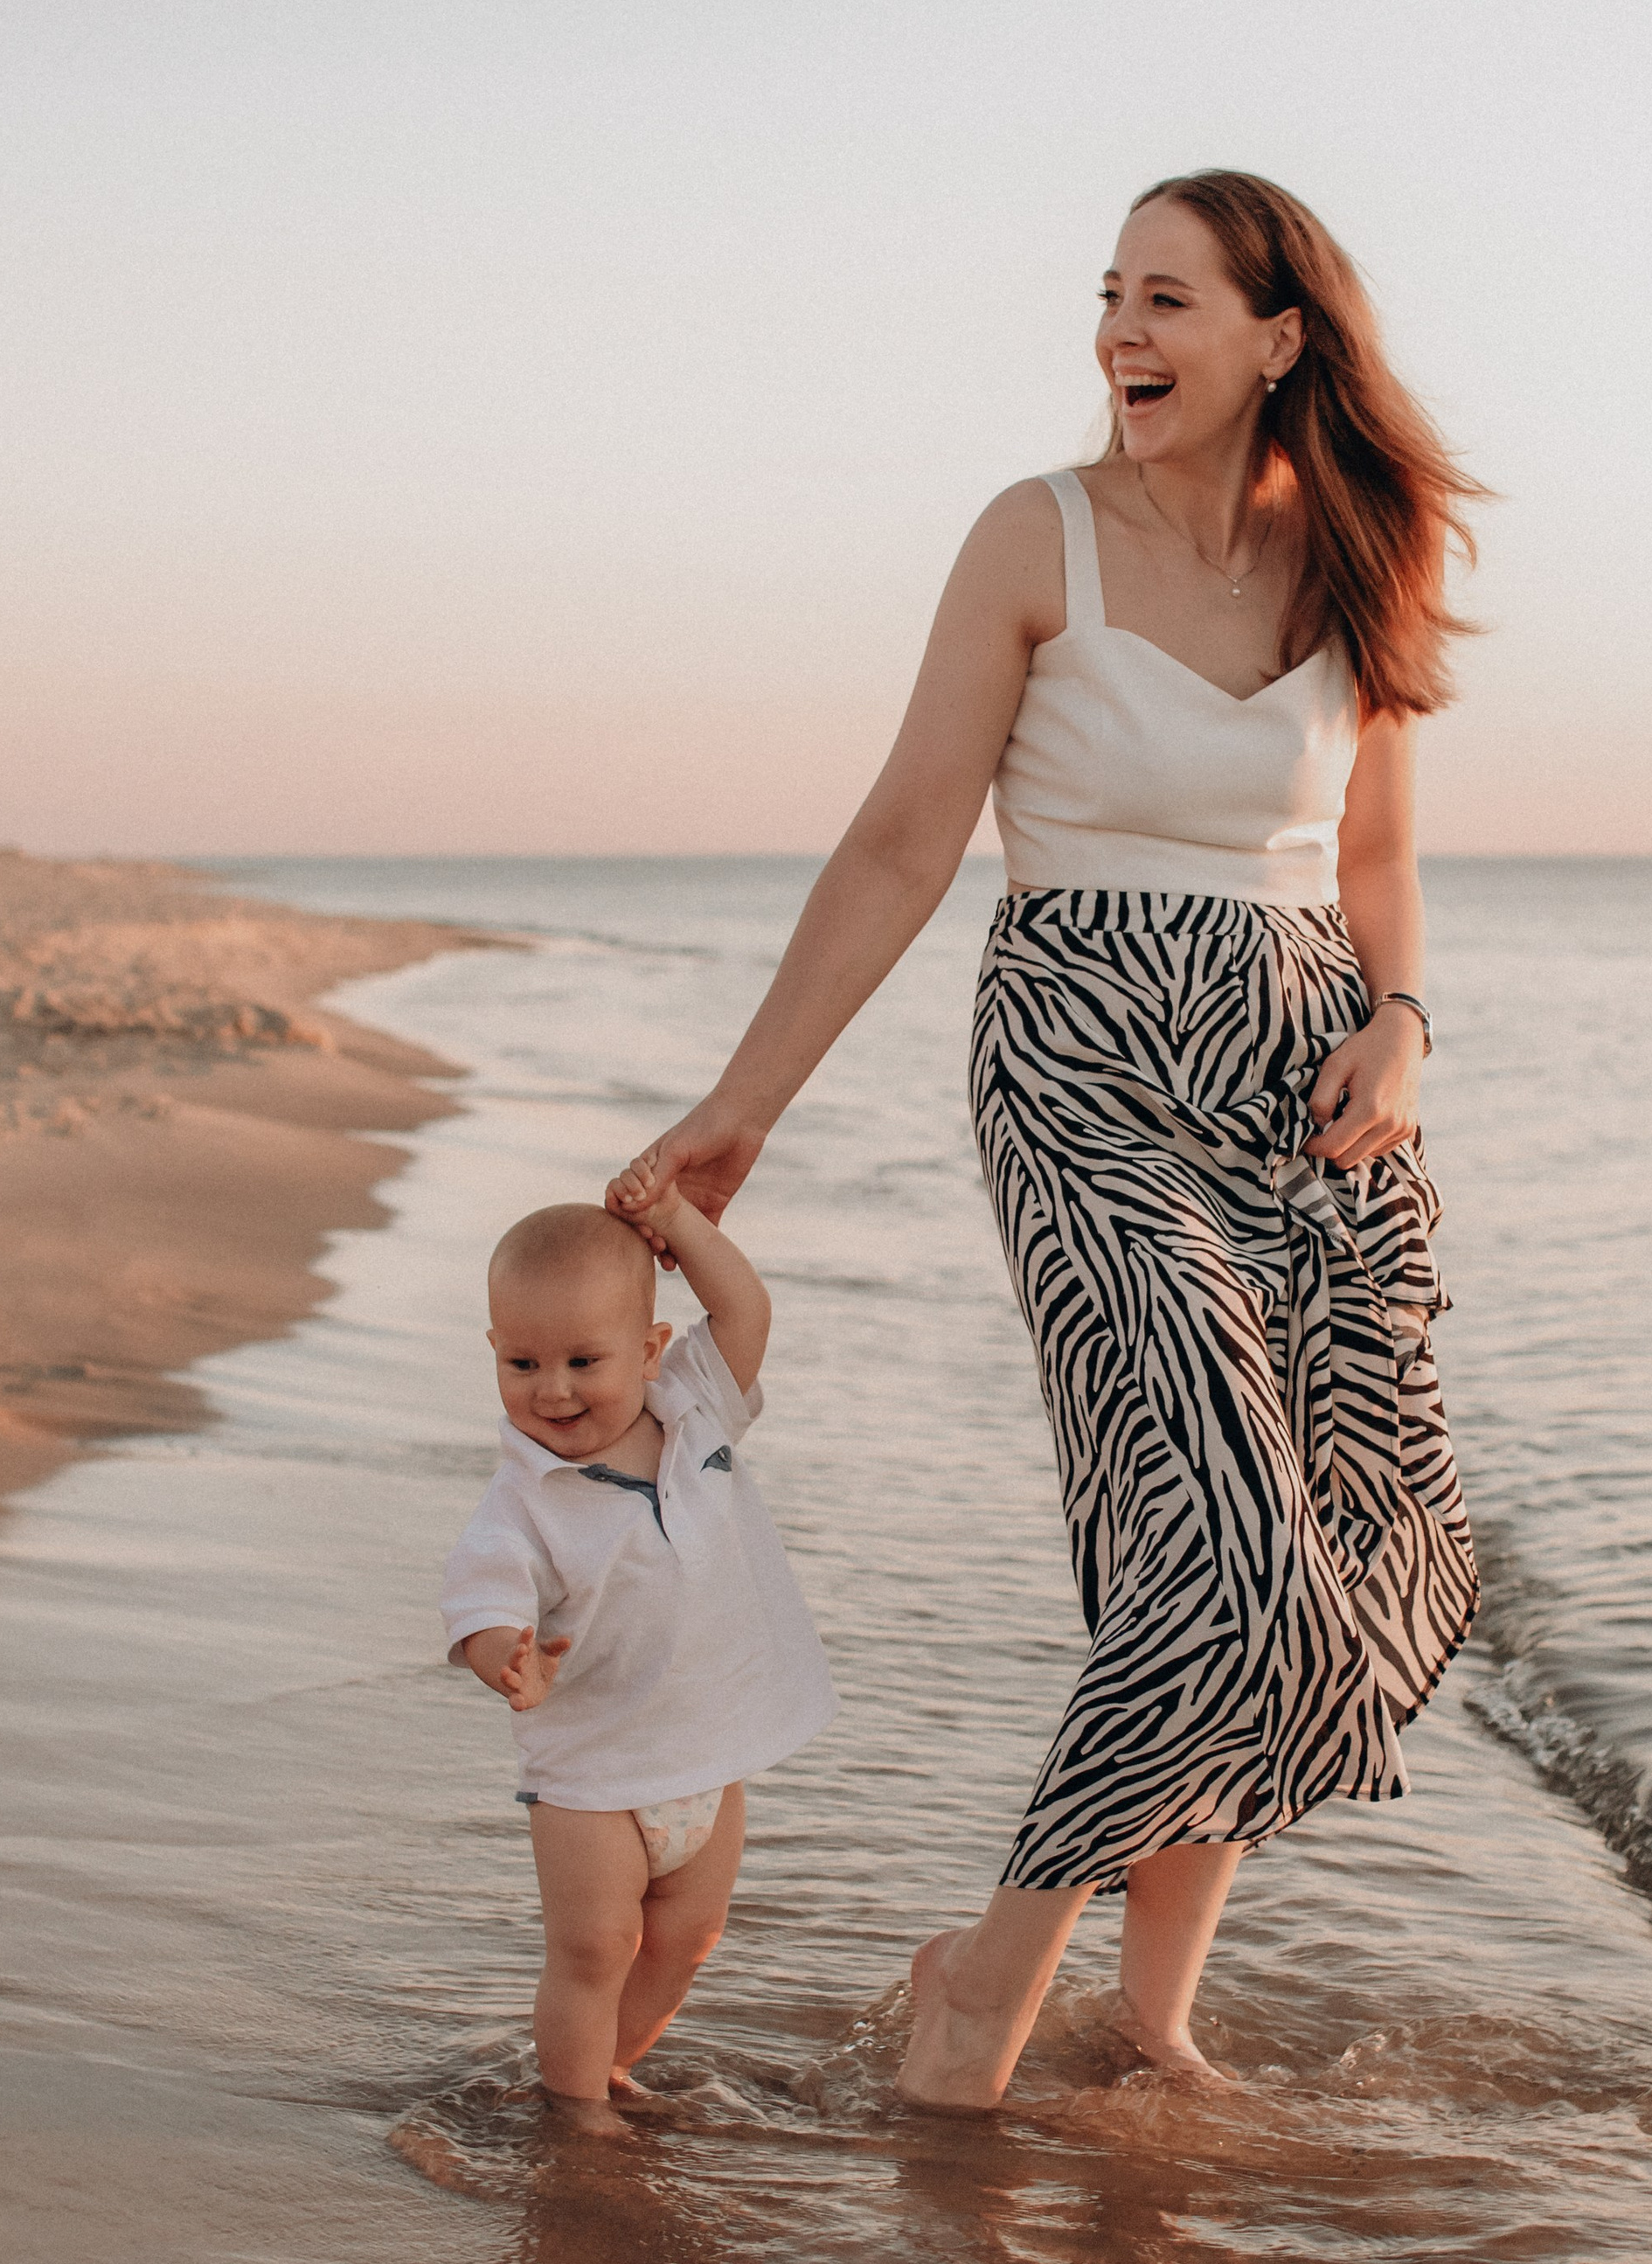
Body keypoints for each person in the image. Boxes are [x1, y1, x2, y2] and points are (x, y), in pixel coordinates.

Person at [609, 167, 1481, 2111]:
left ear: (1279, 337)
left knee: (1349, 1546)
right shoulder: (1037, 537)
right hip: (1084, 1064)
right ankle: (981, 1982)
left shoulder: (1363, 549)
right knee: (1226, 1551)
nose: (1119, 336)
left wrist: (1401, 1029)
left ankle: (1154, 2011)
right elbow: (905, 838)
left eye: (1166, 301)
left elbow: (1379, 854)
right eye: (1109, 297)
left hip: (1308, 1079)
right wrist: (741, 1109)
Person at [441, 1193, 834, 2129]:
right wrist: (508, 1660)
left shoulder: (698, 1406)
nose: (554, 1390)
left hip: (706, 1756)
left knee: (686, 1942)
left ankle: (601, 2067)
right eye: (522, 1363)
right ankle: (575, 2112)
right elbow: (482, 1603)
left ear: (653, 1349)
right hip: (594, 1779)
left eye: (585, 1361)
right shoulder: (525, 1498)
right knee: (596, 1947)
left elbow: (745, 1310)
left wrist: (678, 1222)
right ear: (493, 1347)